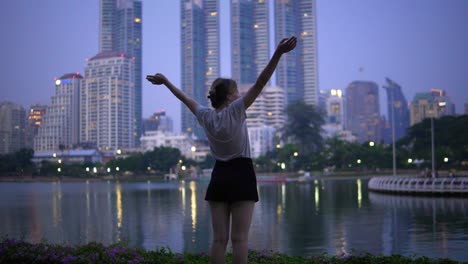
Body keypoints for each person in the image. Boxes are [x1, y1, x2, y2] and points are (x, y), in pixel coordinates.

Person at [146, 36, 297, 264]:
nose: (239, 95)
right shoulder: (235, 110)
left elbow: (185, 99)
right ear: (229, 97)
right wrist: (278, 53)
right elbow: (261, 83)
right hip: (242, 173)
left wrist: (166, 82)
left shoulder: (206, 116)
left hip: (219, 176)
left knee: (218, 240)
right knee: (240, 240)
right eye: (236, 92)